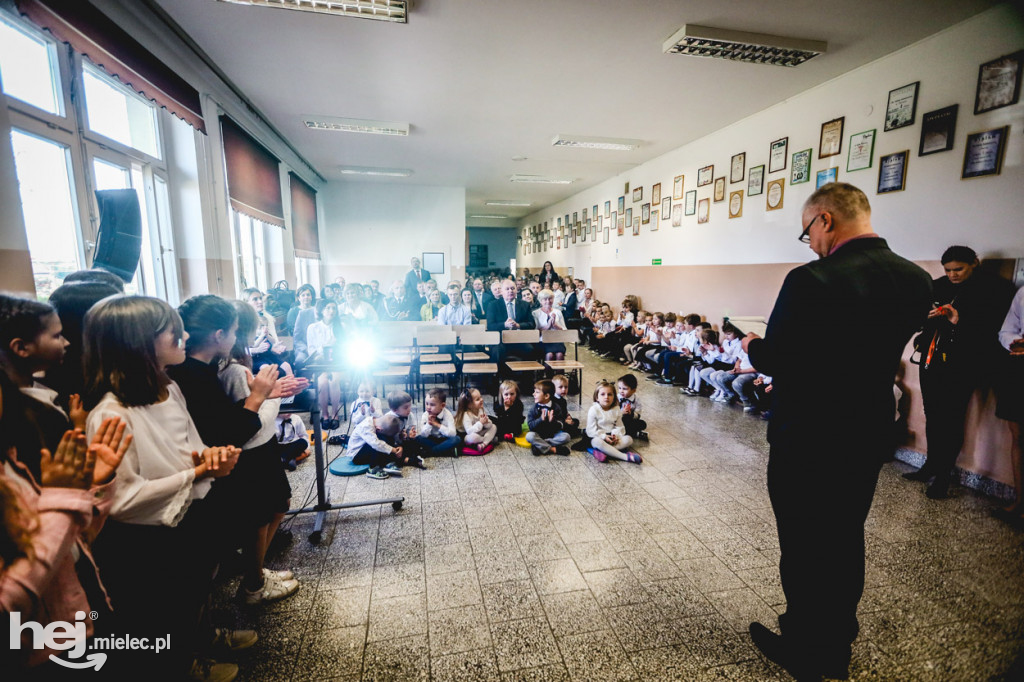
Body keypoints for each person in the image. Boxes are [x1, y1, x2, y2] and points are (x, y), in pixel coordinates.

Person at [741, 182, 932, 681]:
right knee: (845, 535)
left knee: (804, 541)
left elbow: (781, 358)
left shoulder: (812, 280)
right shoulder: (915, 278)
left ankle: (806, 647)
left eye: (808, 232)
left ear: (825, 219)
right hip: (867, 426)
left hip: (809, 431)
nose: (811, 243)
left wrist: (753, 344)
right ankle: (837, 646)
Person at [82, 295, 244, 678]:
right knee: (164, 615)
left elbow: (191, 445)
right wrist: (198, 473)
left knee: (195, 593)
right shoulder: (111, 414)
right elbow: (121, 500)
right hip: (147, 539)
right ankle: (184, 664)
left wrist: (211, 456)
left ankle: (201, 644)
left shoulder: (169, 388)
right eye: (172, 331)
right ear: (138, 342)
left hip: (190, 512)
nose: (184, 335)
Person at [903, 245, 1016, 499]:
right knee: (932, 413)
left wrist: (957, 320)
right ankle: (930, 465)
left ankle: (943, 476)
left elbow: (995, 330)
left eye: (959, 269)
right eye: (948, 270)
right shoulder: (939, 285)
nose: (953, 274)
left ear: (974, 263)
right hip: (933, 357)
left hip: (965, 362)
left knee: (952, 418)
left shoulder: (994, 289)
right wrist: (928, 316)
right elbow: (918, 316)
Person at [994, 286, 1024, 519]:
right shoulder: (1023, 293)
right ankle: (1020, 502)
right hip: (1019, 368)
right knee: (1019, 437)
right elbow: (1006, 331)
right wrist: (1016, 342)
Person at [586, 380, 640, 463]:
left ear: (614, 397)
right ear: (597, 397)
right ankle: (625, 457)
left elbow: (619, 426)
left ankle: (602, 452)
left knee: (628, 439)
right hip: (598, 437)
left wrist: (615, 436)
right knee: (597, 442)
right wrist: (604, 437)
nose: (606, 397)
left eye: (610, 394)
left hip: (611, 436)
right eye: (602, 394)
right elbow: (590, 431)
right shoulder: (593, 410)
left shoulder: (616, 409)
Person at [486, 279, 536, 361]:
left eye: (513, 288)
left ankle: (527, 374)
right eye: (507, 289)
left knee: (530, 350)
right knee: (497, 351)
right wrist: (504, 325)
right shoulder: (493, 305)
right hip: (500, 340)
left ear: (516, 290)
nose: (510, 291)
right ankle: (500, 374)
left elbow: (531, 324)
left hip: (519, 339)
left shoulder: (524, 305)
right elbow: (490, 326)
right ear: (502, 291)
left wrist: (518, 325)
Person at [525, 380, 570, 456]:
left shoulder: (556, 407)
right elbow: (530, 426)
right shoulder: (534, 408)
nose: (533, 394)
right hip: (538, 434)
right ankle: (552, 449)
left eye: (537, 392)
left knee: (566, 437)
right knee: (529, 436)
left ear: (546, 396)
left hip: (552, 434)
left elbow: (561, 425)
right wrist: (540, 420)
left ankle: (540, 445)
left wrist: (553, 421)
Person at [415, 388, 460, 457]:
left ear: (442, 406)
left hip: (444, 439)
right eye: (427, 404)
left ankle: (428, 453)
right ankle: (446, 452)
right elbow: (423, 435)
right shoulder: (425, 415)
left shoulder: (447, 414)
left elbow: (453, 434)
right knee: (418, 438)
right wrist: (429, 424)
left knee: (456, 439)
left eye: (432, 405)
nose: (428, 407)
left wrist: (437, 425)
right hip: (432, 439)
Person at [455, 388, 496, 454]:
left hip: (479, 432)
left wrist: (486, 422)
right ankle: (488, 440)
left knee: (493, 426)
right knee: (473, 437)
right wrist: (480, 423)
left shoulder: (480, 410)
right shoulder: (466, 415)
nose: (481, 400)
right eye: (478, 399)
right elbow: (469, 431)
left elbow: (488, 426)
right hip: (467, 435)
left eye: (481, 397)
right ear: (469, 405)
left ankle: (483, 444)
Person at [532, 289, 567, 361]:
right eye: (545, 299)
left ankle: (559, 372)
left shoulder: (558, 312)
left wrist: (555, 325)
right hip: (542, 341)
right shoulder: (535, 313)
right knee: (549, 355)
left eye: (550, 298)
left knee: (559, 355)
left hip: (557, 340)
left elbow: (565, 330)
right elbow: (535, 333)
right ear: (540, 301)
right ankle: (547, 372)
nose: (548, 301)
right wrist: (547, 326)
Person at [617, 374, 648, 440]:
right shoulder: (617, 397)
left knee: (642, 424)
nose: (621, 391)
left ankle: (629, 432)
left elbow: (638, 413)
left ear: (633, 390)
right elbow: (612, 411)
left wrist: (631, 413)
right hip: (618, 420)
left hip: (630, 420)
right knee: (623, 421)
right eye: (619, 388)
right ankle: (634, 433)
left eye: (625, 389)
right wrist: (622, 412)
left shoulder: (636, 400)